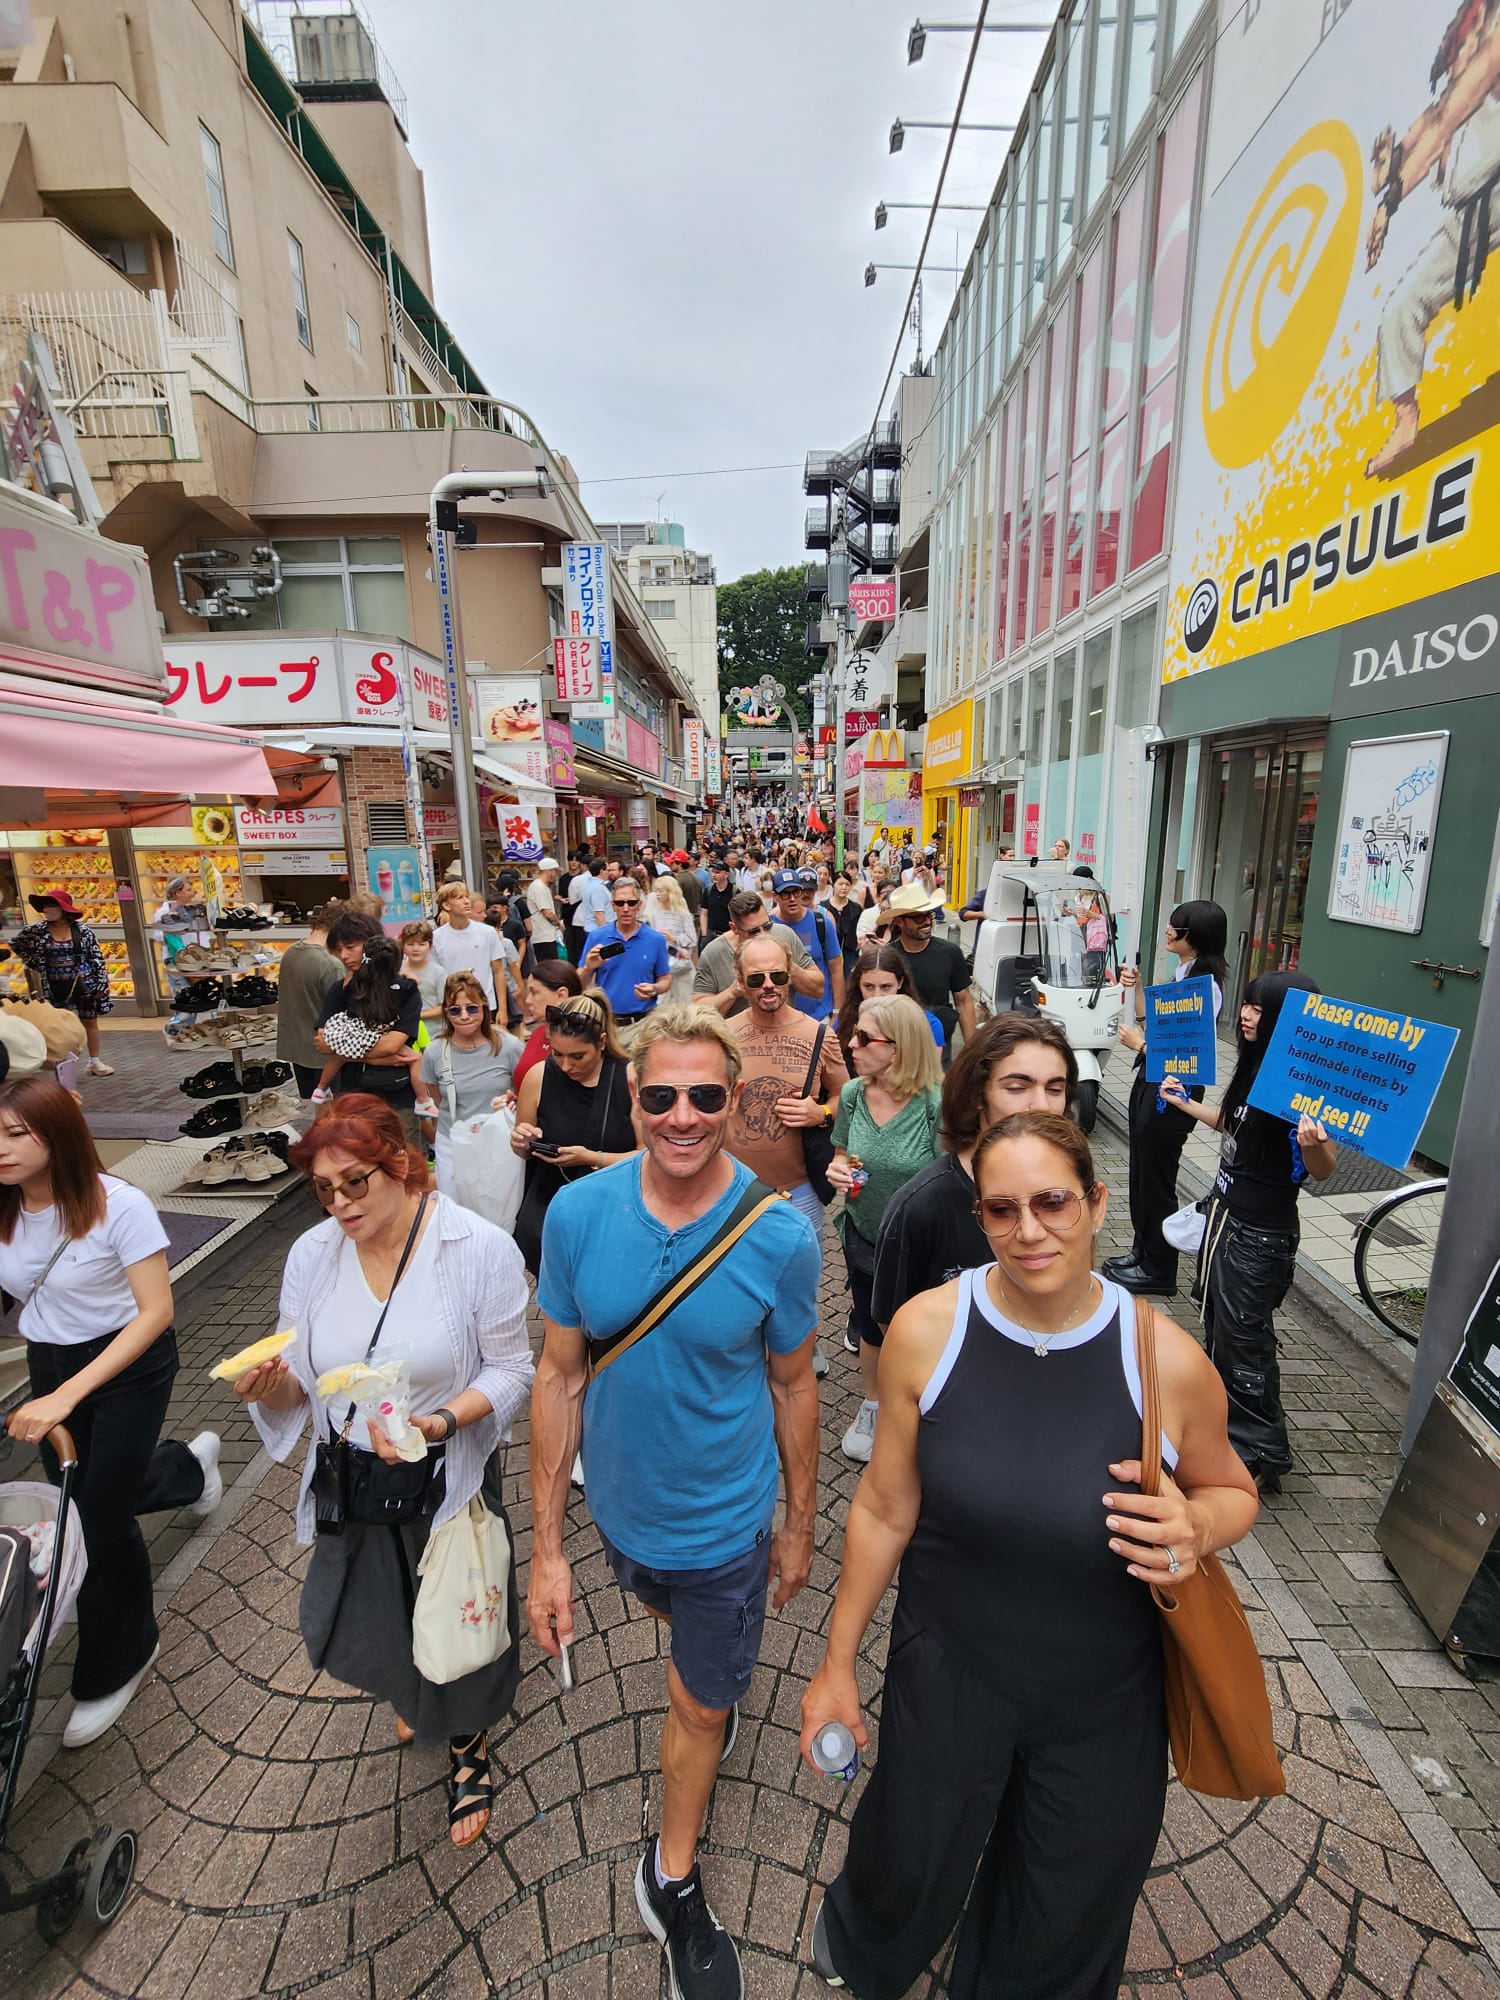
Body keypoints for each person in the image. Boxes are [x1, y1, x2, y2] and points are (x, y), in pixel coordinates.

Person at [802, 1109, 1260, 1999]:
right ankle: (869, 1943)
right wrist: (835, 1662)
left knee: (1068, 1900)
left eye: (1051, 1202)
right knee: (911, 1844)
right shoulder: (928, 1333)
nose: (1029, 1230)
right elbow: (886, 1507)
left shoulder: (1161, 1358)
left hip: (1104, 1694)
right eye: (1001, 1210)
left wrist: (1197, 1529)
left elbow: (1232, 1490)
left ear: (1094, 1203)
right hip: (949, 1666)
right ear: (979, 1219)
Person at [528, 1005, 821, 2000]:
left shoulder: (779, 1235)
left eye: (706, 1095)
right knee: (663, 1614)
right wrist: (547, 1548)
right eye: (661, 1095)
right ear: (634, 1095)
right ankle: (705, 1673)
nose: (684, 1116)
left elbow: (793, 1382)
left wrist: (799, 1519)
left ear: (736, 1097)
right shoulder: (577, 1214)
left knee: (698, 1701)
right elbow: (560, 1374)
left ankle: (671, 1875)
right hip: (621, 1511)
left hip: (724, 1522)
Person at [233, 1094, 533, 1847]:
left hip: (441, 1472)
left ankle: (467, 1741)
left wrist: (439, 1424)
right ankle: (411, 1687)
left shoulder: (478, 1248)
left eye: (355, 1182)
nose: (340, 1204)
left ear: (401, 1165)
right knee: (381, 1607)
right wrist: (274, 1387)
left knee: (458, 1604)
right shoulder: (312, 1255)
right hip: (356, 1476)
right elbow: (301, 1375)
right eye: (324, 1190)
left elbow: (510, 1371)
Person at [0, 1077, 221, 1746]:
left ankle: (120, 1658)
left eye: (15, 1134)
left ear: (56, 1134)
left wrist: (69, 1395)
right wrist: (57, 1386)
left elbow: (156, 1312)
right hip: (50, 1362)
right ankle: (188, 1469)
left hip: (131, 1367)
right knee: (96, 1493)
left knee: (96, 1517)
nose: (0, 1149)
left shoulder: (116, 1205)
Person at [1161, 972, 1337, 1490]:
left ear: (1286, 1019)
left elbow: (1322, 1169)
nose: (1246, 1015)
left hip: (1260, 1238)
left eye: (1260, 1010)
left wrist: (1313, 1142)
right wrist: (1184, 1102)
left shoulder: (1303, 1081)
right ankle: (1228, 1438)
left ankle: (1262, 1454)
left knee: (1244, 1341)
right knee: (1221, 1332)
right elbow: (1235, 1124)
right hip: (1227, 1221)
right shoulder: (1257, 1068)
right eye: (1246, 1004)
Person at [871, 1015, 1078, 1339]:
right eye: (1017, 1087)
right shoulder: (920, 1207)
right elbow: (894, 1327)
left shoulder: (1071, 1190)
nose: (1041, 1105)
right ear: (976, 1096)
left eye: (1055, 1088)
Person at [828, 995, 942, 1464]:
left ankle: (925, 1407)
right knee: (872, 1325)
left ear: (898, 1048)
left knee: (920, 1331)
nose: (851, 1044)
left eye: (863, 1037)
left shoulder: (934, 1105)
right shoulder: (854, 1094)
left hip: (920, 1248)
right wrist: (843, 1171)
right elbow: (844, 1155)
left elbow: (950, 1179)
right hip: (864, 1233)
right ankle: (873, 1406)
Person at [1103, 900, 1230, 1299]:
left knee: (1157, 1180)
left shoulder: (1204, 987)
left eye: (1176, 927)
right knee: (1141, 1173)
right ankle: (1143, 1252)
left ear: (1195, 936)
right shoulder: (1183, 974)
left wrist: (1141, 1045)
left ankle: (1159, 1267)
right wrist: (1136, 987)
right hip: (1152, 1080)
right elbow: (1153, 1025)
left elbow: (1184, 1052)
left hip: (1173, 1091)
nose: (1168, 932)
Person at [726, 932, 848, 1242]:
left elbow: (846, 1098)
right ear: (740, 980)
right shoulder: (723, 1035)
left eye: (777, 975)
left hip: (799, 1192)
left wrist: (820, 1112)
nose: (768, 985)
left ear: (790, 972)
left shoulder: (819, 1035)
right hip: (732, 1191)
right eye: (756, 979)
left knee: (798, 1283)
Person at [510, 990, 638, 1274]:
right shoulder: (539, 1076)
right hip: (552, 1216)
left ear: (602, 1042)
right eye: (557, 1054)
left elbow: (648, 1157)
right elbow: (522, 1150)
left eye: (578, 1056)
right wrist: (521, 1140)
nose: (566, 1066)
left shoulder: (630, 1078)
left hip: (613, 1217)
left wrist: (590, 1157)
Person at [416, 972, 524, 1197]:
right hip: (452, 1143)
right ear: (446, 1012)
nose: (464, 1016)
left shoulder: (509, 1046)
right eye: (455, 1010)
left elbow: (525, 1090)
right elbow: (439, 1099)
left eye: (472, 1008)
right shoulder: (435, 1052)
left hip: (498, 1143)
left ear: (484, 1006)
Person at [314, 912, 422, 1130]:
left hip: (397, 1094)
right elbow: (323, 1043)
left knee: (401, 1157)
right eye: (338, 950)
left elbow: (393, 1045)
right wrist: (377, 1059)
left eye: (351, 947)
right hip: (353, 1096)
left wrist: (344, 1053)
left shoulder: (403, 990)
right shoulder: (340, 990)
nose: (343, 956)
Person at [13, 891, 115, 1076]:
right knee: (61, 1026)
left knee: (90, 1021)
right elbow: (18, 944)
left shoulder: (82, 930)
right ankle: (64, 1063)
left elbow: (96, 957)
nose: (47, 910)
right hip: (54, 984)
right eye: (45, 906)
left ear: (63, 908)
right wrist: (36, 963)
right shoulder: (37, 930)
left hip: (84, 982)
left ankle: (94, 1061)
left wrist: (101, 982)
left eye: (51, 905)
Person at [693, 891, 822, 1017]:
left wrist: (789, 966)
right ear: (734, 929)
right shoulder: (714, 953)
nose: (763, 935)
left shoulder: (785, 936)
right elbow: (697, 1010)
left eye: (767, 926)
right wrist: (731, 993)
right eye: (753, 931)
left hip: (783, 1034)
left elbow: (817, 989)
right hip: (736, 1037)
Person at [887, 881, 975, 1052]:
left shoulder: (950, 953)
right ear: (899, 922)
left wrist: (972, 1051)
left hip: (940, 1042)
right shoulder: (888, 957)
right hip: (899, 1044)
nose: (927, 921)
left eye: (930, 915)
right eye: (919, 917)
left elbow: (964, 1001)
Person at [581, 876, 671, 1031]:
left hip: (644, 1022)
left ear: (639, 905)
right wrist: (588, 968)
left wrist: (654, 988)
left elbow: (665, 980)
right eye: (620, 903)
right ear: (613, 906)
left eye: (631, 902)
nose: (626, 908)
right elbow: (579, 985)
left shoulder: (655, 939)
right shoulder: (597, 937)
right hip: (608, 1023)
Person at [835, 942, 944, 1067]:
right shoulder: (845, 1021)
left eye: (886, 987)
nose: (877, 996)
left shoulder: (928, 1025)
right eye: (868, 987)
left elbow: (928, 1077)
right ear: (858, 985)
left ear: (900, 982)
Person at [277, 903, 344, 1099]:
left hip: (298, 1048)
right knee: (339, 1109)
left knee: (319, 1106)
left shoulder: (290, 953)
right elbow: (342, 1011)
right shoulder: (330, 964)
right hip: (327, 1052)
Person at [428, 881, 508, 1014]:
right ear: (446, 905)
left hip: (485, 1004)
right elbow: (436, 978)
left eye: (466, 896)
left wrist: (503, 1009)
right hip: (454, 1006)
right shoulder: (436, 938)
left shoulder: (487, 932)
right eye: (459, 898)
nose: (466, 901)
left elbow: (498, 971)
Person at [513, 957, 584, 1092]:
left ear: (561, 995)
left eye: (534, 992)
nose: (527, 1000)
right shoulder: (537, 1033)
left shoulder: (580, 1042)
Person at [644, 873, 699, 1004]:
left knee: (684, 998)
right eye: (656, 890)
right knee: (662, 999)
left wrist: (673, 937)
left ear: (670, 892)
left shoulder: (682, 914)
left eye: (661, 891)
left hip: (679, 960)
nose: (657, 894)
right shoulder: (655, 914)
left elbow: (692, 939)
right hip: (662, 960)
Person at [399, 920, 445, 1024]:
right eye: (410, 944)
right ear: (403, 946)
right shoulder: (396, 970)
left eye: (421, 944)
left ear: (430, 947)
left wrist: (416, 1015)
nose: (415, 949)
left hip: (434, 1032)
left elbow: (444, 1006)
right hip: (403, 1032)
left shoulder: (439, 973)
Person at [527, 855, 563, 961]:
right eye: (555, 871)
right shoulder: (539, 887)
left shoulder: (541, 886)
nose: (555, 875)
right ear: (549, 871)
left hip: (546, 935)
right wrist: (559, 924)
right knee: (548, 969)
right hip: (543, 936)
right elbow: (547, 913)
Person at [829, 870, 863, 974]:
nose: (844, 888)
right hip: (829, 955)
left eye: (847, 884)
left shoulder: (856, 908)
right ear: (833, 885)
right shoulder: (823, 908)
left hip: (851, 955)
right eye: (840, 884)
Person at [701, 857, 735, 941]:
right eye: (712, 872)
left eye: (717, 872)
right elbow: (704, 913)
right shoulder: (708, 890)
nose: (713, 875)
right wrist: (704, 934)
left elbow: (737, 916)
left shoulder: (734, 892)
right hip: (710, 933)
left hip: (728, 934)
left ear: (726, 875)